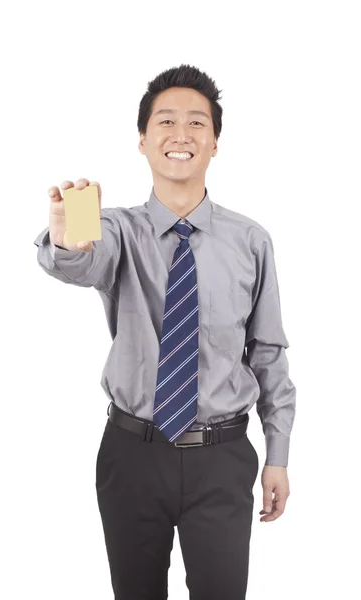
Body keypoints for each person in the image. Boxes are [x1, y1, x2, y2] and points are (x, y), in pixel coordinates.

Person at [34, 63, 296, 600]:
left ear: (216, 143)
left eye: (197, 123)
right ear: (143, 141)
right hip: (132, 454)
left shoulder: (251, 241)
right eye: (166, 122)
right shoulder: (115, 229)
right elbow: (81, 263)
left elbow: (268, 351)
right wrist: (69, 238)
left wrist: (278, 453)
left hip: (222, 457)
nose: (181, 135)